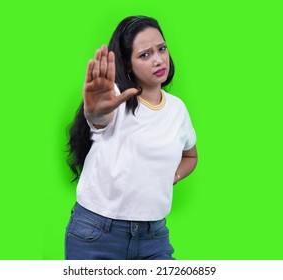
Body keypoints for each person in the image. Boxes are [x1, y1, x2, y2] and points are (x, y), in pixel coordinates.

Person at [65, 15, 197, 260]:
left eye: (162, 49)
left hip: (153, 236)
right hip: (97, 234)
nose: (158, 59)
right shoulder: (114, 97)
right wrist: (95, 111)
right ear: (127, 65)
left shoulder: (178, 109)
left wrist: (174, 176)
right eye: (145, 55)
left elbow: (191, 155)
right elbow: (98, 119)